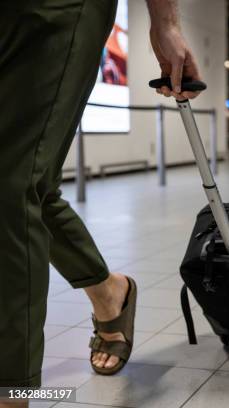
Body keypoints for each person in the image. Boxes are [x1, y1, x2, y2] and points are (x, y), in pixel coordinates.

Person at [0, 1, 201, 406]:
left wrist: (165, 22)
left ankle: (11, 392)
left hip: (56, 8)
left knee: (15, 187)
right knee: (24, 186)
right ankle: (109, 292)